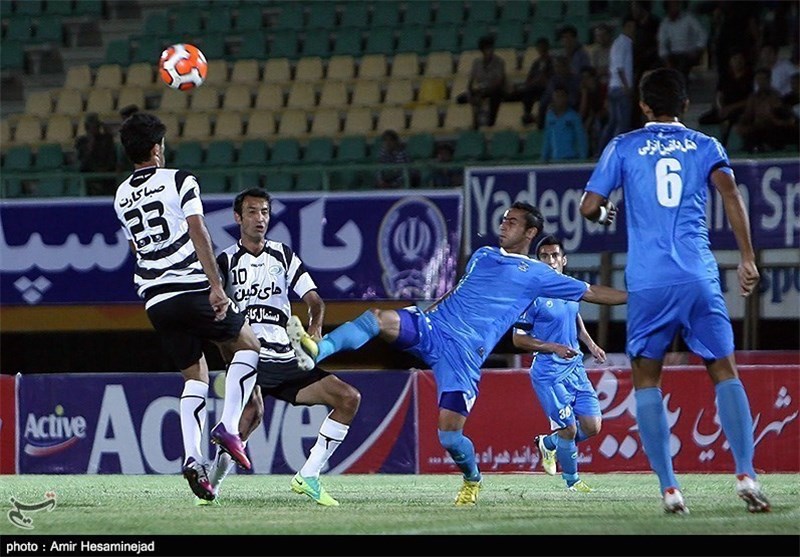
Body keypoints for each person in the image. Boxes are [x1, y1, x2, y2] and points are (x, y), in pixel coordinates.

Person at [287, 202, 628, 506]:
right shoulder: (483, 254)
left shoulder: (538, 275)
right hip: (434, 328)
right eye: (504, 219)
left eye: (512, 222)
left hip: (463, 356)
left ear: (530, 232)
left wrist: (636, 298)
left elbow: (592, 292)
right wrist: (429, 312)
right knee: (376, 319)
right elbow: (457, 292)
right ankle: (318, 349)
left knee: (449, 436)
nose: (503, 225)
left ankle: (472, 479)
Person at [579, 67, 771, 515]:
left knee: (647, 379)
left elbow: (589, 206)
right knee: (724, 370)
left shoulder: (623, 145)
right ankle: (746, 473)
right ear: (685, 105)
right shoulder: (706, 146)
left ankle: (670, 489)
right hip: (698, 276)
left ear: (643, 106)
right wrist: (747, 257)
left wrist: (605, 215)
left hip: (648, 282)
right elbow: (731, 195)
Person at [114, 112, 262, 503]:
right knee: (249, 346)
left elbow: (136, 247)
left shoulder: (121, 194)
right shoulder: (180, 180)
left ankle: (193, 459)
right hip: (190, 286)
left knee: (195, 377)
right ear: (156, 148)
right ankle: (228, 426)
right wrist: (216, 286)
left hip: (156, 299)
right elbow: (198, 230)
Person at [209, 187, 361, 506]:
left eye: (264, 212)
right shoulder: (224, 260)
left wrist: (314, 328)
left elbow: (315, 301)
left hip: (286, 357)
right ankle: (210, 488)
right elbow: (215, 312)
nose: (260, 218)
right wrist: (229, 354)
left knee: (348, 398)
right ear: (238, 218)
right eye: (252, 212)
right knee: (249, 418)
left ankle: (308, 475)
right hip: (251, 354)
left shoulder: (283, 254)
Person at [512, 235, 606, 493]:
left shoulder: (571, 288)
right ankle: (572, 482)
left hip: (575, 367)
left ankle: (549, 444)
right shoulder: (532, 295)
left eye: (555, 255)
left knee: (593, 426)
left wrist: (590, 344)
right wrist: (554, 347)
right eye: (544, 256)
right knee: (569, 429)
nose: (550, 260)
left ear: (564, 260)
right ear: (538, 261)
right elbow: (518, 339)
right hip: (548, 372)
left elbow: (574, 317)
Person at [735, 67, 799, 153]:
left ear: (769, 80)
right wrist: (741, 124)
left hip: (774, 127)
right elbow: (747, 115)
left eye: (763, 79)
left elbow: (783, 115)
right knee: (750, 133)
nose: (760, 82)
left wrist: (774, 119)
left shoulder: (775, 96)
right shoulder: (753, 98)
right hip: (757, 128)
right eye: (758, 79)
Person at [599, 15, 635, 152]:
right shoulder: (623, 43)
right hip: (620, 87)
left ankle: (603, 149)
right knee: (622, 122)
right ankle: (616, 151)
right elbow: (619, 67)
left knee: (613, 122)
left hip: (613, 86)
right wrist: (626, 87)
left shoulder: (617, 43)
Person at [505, 37, 554, 126]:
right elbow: (529, 79)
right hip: (534, 87)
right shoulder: (536, 63)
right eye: (539, 47)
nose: (541, 50)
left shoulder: (552, 62)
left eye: (543, 47)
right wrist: (533, 82)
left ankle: (538, 118)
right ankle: (527, 115)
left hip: (547, 88)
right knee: (521, 91)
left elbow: (552, 78)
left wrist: (543, 80)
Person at [657, 0, 708, 84]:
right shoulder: (665, 24)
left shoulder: (688, 19)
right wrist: (666, 60)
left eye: (677, 5)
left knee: (682, 66)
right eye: (672, 5)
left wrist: (698, 49)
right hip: (674, 55)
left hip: (689, 53)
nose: (675, 7)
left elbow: (702, 34)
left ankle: (681, 84)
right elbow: (662, 44)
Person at [466, 34, 507, 128]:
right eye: (487, 48)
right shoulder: (476, 62)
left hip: (495, 90)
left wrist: (485, 90)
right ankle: (474, 122)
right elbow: (471, 81)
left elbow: (499, 81)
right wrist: (471, 90)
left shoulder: (499, 62)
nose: (490, 51)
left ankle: (491, 122)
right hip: (481, 89)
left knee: (495, 94)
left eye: (491, 48)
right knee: (462, 98)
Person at [541, 86, 589, 163]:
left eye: (561, 96)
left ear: (566, 98)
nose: (559, 99)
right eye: (557, 96)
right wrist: (543, 159)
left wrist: (582, 160)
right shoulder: (549, 116)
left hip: (572, 159)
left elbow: (581, 139)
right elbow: (547, 138)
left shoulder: (574, 117)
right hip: (555, 160)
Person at [76, 112, 117, 195]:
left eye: (96, 126)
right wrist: (90, 143)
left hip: (106, 175)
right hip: (90, 175)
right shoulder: (81, 141)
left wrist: (105, 129)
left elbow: (111, 154)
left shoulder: (105, 139)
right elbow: (83, 160)